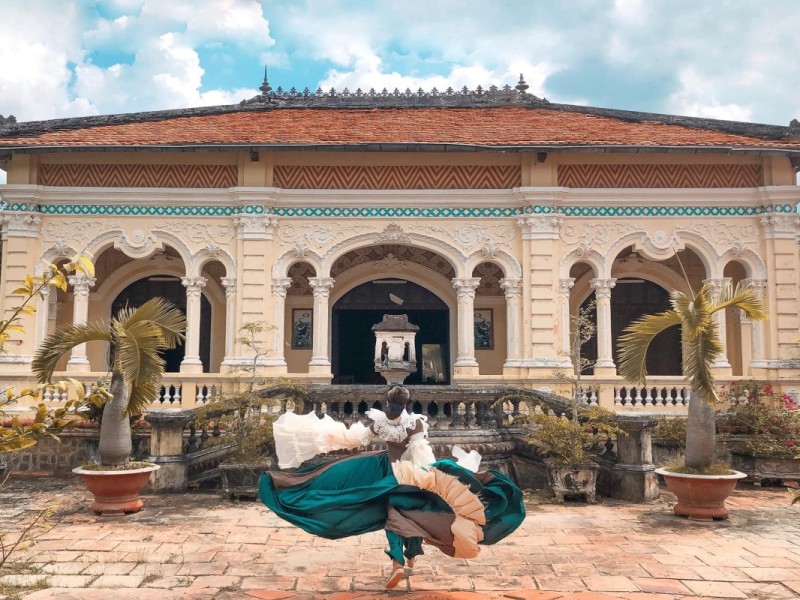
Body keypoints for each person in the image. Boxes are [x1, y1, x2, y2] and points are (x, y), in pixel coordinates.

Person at [260, 386, 524, 589]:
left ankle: (402, 559)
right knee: (404, 512)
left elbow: (358, 439)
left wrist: (326, 437)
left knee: (395, 513)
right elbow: (422, 453)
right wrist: (435, 477)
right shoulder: (415, 423)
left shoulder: (381, 421)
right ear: (406, 403)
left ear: (389, 402)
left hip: (386, 469)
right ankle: (404, 558)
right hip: (409, 473)